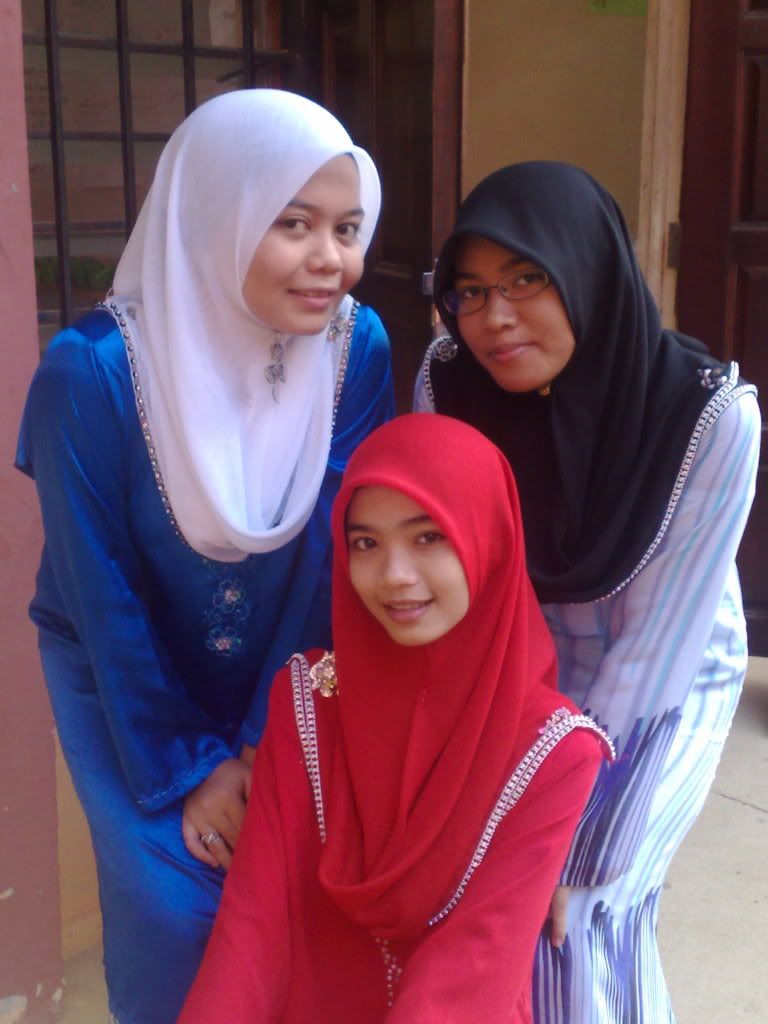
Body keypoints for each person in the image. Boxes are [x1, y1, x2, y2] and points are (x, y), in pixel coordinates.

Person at [16, 89, 393, 1024]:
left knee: (297, 893)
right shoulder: (92, 373)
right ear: (216, 213)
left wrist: (267, 742)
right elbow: (99, 592)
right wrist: (191, 766)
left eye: (347, 228)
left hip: (286, 656)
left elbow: (332, 548)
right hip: (122, 675)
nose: (330, 258)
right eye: (293, 223)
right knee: (175, 910)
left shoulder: (356, 348)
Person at [416, 161, 760, 1023]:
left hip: (668, 677)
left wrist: (574, 833)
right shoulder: (448, 386)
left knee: (578, 912)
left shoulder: (706, 416)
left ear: (586, 268)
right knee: (484, 905)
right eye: (469, 290)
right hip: (521, 672)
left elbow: (652, 656)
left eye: (526, 279)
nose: (495, 317)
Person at [178, 413, 613, 1024]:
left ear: (487, 538)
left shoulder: (554, 752)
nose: (394, 576)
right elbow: (255, 924)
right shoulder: (309, 701)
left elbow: (471, 975)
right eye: (366, 543)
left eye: (428, 536)